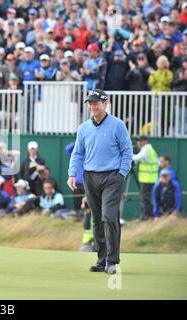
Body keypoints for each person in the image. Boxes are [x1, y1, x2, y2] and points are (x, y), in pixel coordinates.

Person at [68, 89, 133, 275]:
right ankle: (102, 258)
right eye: (90, 103)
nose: (93, 106)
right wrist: (72, 174)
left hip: (112, 176)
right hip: (90, 177)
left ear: (105, 104)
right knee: (96, 219)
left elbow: (127, 151)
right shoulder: (83, 128)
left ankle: (112, 260)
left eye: (96, 103)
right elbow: (78, 153)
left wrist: (121, 173)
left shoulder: (118, 125)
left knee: (109, 216)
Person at [133, 136, 159, 221]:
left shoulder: (145, 150)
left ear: (144, 141)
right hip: (152, 179)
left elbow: (136, 158)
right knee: (147, 198)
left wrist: (128, 154)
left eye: (140, 141)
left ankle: (145, 216)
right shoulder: (152, 150)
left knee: (144, 198)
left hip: (146, 179)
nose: (139, 143)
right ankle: (148, 215)